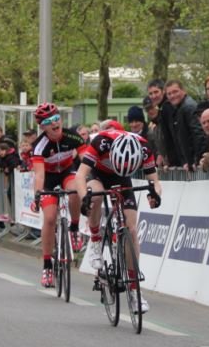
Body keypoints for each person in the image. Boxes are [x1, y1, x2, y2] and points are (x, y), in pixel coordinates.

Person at [75, 129, 162, 313]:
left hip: (122, 178)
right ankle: (96, 241)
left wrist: (155, 195)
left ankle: (134, 291)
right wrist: (85, 198)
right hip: (97, 175)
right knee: (96, 197)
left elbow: (155, 181)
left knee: (131, 230)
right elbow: (80, 176)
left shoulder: (144, 148)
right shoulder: (101, 142)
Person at [30, 103, 89, 288]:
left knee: (75, 191)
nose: (55, 123)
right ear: (42, 126)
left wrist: (93, 179)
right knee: (49, 218)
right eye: (49, 121)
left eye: (56, 118)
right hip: (48, 178)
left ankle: (74, 228)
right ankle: (47, 265)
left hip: (66, 172)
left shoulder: (72, 136)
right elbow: (39, 174)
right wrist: (37, 195)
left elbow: (87, 160)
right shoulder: (39, 146)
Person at [162, 79, 207, 169]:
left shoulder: (188, 107)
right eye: (169, 94)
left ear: (183, 91)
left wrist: (194, 161)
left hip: (194, 164)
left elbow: (198, 135)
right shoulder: (178, 109)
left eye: (175, 92)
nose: (172, 96)